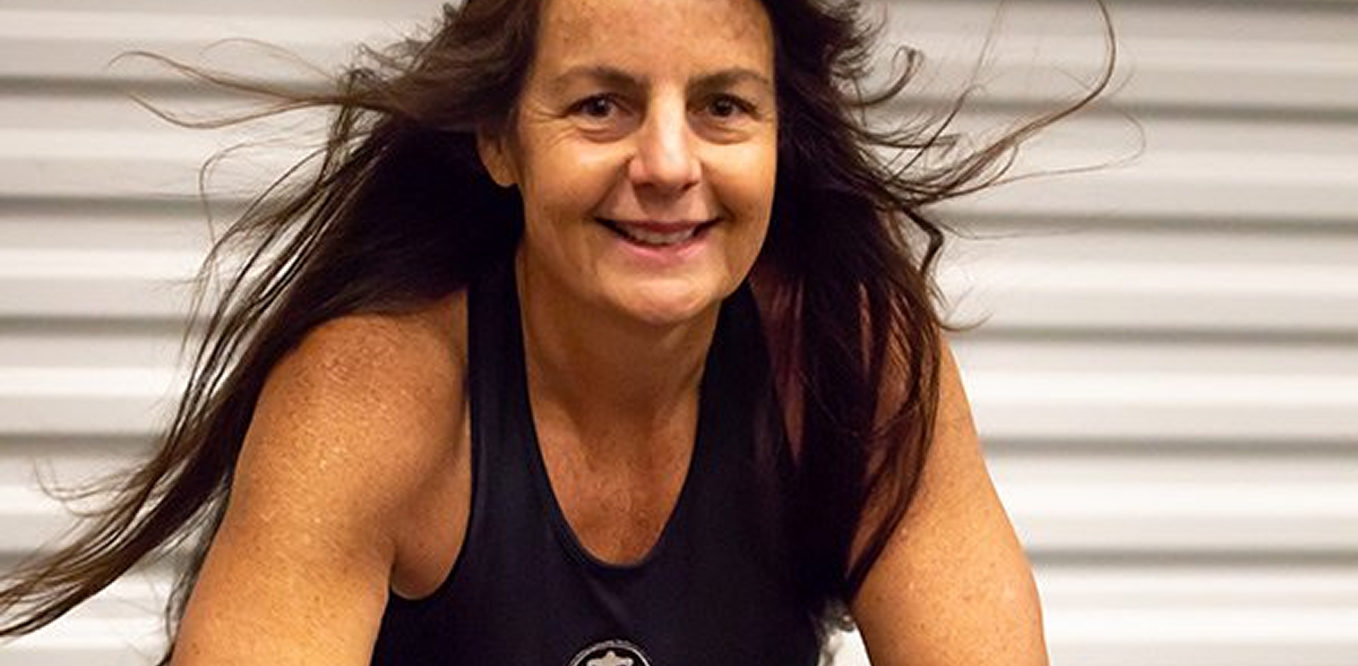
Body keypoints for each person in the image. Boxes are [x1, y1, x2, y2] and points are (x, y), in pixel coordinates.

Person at [1, 0, 1109, 663]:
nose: (669, 165)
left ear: (781, 138)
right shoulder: (372, 392)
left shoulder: (850, 366)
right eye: (600, 105)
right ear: (499, 141)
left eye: (723, 105)